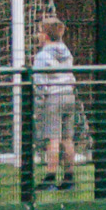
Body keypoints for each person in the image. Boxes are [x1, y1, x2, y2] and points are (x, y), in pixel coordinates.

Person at [32, 17, 80, 191]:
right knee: (67, 138)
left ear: (45, 35)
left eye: (39, 31)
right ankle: (69, 178)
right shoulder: (66, 51)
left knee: (52, 138)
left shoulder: (42, 56)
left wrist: (37, 106)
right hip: (69, 95)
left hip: (53, 97)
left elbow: (40, 84)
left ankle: (50, 178)